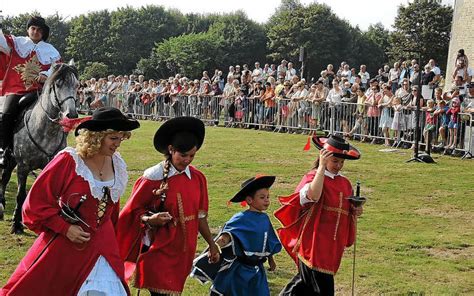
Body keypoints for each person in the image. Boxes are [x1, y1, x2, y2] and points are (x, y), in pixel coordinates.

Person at [0, 107, 140, 296]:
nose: (118, 144)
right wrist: (65, 228)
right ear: (97, 136)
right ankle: (5, 149)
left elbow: (111, 211)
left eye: (121, 137)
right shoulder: (70, 161)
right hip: (67, 246)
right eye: (113, 138)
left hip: (104, 245)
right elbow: (34, 206)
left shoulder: (118, 164)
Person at [116, 116, 220, 296]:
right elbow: (132, 211)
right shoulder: (153, 177)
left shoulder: (198, 178)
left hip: (184, 253)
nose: (188, 160)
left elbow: (201, 217)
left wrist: (212, 244)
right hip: (159, 251)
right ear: (171, 150)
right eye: (183, 155)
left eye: (192, 155)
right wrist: (150, 219)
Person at [275, 135, 363, 295]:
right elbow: (313, 196)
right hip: (314, 244)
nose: (339, 166)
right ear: (323, 157)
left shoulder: (345, 183)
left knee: (303, 286)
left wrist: (356, 210)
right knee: (322, 288)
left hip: (333, 246)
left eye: (342, 162)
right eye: (335, 161)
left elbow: (348, 210)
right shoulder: (312, 177)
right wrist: (321, 167)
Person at [191, 175, 282, 296]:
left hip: (257, 270)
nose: (266, 200)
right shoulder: (240, 219)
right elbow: (226, 237)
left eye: (268, 197)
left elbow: (267, 242)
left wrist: (271, 259)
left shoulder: (265, 219)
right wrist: (215, 247)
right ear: (249, 200)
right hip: (239, 270)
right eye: (262, 197)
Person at [0, 16, 61, 166]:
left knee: (55, 114)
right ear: (28, 29)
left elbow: (57, 67)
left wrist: (45, 76)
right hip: (15, 89)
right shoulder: (17, 42)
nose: (35, 32)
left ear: (43, 33)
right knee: (7, 114)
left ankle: (56, 148)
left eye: (39, 30)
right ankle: (4, 150)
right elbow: (1, 43)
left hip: (38, 91)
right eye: (33, 28)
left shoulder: (50, 50)